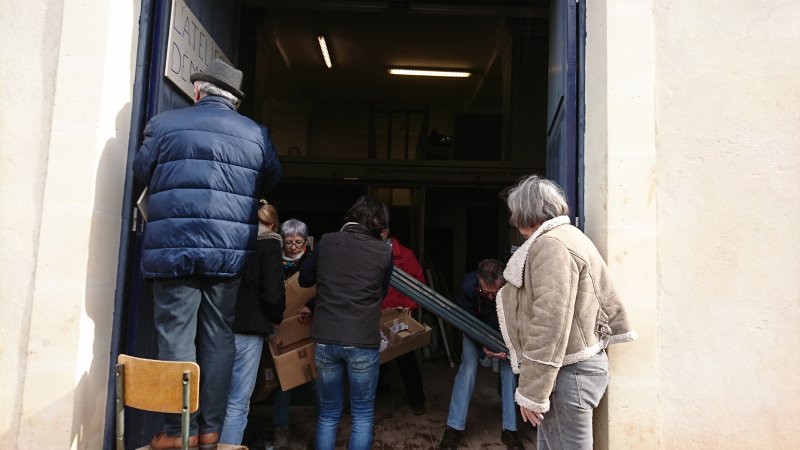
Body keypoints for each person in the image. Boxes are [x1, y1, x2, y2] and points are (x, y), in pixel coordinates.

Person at [132, 59, 282, 450]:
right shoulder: (256, 134)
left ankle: (177, 430)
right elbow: (271, 178)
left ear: (198, 91)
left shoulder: (164, 124)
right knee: (218, 336)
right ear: (234, 100)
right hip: (227, 252)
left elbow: (142, 170)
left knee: (176, 335)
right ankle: (210, 430)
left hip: (175, 246)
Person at [497, 175, 637, 450]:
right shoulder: (569, 237)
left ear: (526, 212)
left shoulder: (551, 245)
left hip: (567, 374)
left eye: (516, 213)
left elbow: (550, 322)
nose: (514, 221)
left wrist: (531, 391)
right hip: (573, 371)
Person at [298, 196, 393, 450]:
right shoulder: (384, 251)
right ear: (378, 223)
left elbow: (304, 280)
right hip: (362, 339)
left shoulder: (328, 241)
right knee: (362, 414)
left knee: (328, 412)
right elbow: (382, 293)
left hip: (326, 338)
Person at [438, 259, 524, 450]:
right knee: (468, 369)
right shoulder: (467, 288)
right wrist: (482, 345)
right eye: (487, 293)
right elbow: (465, 322)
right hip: (475, 332)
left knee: (510, 372)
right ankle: (453, 428)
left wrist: (506, 344)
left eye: (495, 292)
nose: (491, 298)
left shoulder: (511, 286)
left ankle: (510, 430)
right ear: (479, 279)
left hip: (505, 335)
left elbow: (517, 317)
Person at [219, 200, 285, 445]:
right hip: (249, 329)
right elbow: (273, 293)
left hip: (218, 327)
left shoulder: (228, 238)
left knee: (212, 397)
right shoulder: (269, 243)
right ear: (273, 224)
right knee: (237, 401)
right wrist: (276, 318)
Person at [272, 218, 317, 450]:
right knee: (284, 383)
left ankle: (321, 432)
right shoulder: (274, 261)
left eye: (298, 242)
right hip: (282, 329)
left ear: (305, 241)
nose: (293, 247)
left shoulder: (312, 261)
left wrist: (310, 306)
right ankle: (281, 430)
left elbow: (323, 290)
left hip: (308, 327)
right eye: (288, 242)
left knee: (317, 381)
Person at [377, 206, 426, 415]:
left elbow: (418, 284)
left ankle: (417, 399)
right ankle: (373, 393)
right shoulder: (367, 253)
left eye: (381, 230)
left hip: (398, 315)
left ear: (388, 230)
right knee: (374, 359)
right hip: (376, 316)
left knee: (406, 359)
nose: (378, 234)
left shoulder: (404, 255)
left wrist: (409, 306)